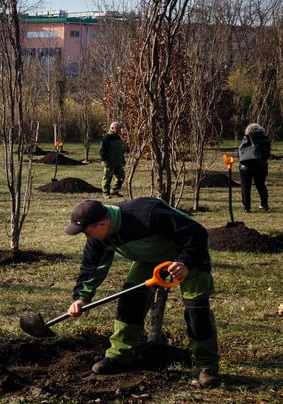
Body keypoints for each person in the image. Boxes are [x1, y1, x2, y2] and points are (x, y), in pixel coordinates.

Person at [64, 198, 220, 387]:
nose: (87, 237)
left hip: (188, 255)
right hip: (149, 259)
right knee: (130, 300)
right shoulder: (99, 237)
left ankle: (207, 366)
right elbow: (91, 268)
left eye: (88, 232)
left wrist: (185, 262)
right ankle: (119, 356)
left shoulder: (148, 214)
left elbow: (197, 234)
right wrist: (81, 298)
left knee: (196, 309)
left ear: (103, 223)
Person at [238, 122, 271, 212]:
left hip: (247, 166)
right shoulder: (266, 139)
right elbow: (267, 154)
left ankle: (246, 207)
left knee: (246, 187)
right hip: (262, 166)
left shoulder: (247, 137)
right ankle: (264, 205)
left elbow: (241, 151)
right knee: (261, 185)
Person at [99, 121, 126, 198]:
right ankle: (106, 193)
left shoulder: (117, 137)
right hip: (109, 162)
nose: (119, 130)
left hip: (118, 162)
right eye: (118, 128)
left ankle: (114, 191)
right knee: (107, 178)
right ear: (112, 128)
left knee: (121, 177)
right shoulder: (106, 138)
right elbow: (102, 151)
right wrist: (104, 160)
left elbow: (120, 150)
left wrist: (123, 160)